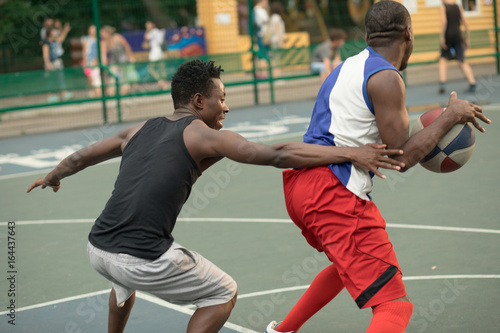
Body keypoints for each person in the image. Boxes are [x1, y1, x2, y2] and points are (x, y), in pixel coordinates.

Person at [27, 59, 407, 333]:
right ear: (197, 102)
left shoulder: (138, 129)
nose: (226, 106)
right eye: (221, 98)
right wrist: (350, 152)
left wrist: (54, 175)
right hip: (142, 257)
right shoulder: (203, 135)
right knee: (223, 292)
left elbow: (82, 155)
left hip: (98, 248)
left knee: (121, 282)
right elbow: (277, 155)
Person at [266, 2, 490, 333]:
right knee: (395, 306)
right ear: (409, 34)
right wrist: (450, 116)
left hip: (301, 186)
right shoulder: (385, 77)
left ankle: (283, 330)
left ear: (369, 36)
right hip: (334, 192)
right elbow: (401, 159)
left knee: (344, 266)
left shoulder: (344, 68)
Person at [438, 0, 476, 94]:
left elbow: (444, 22)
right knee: (461, 60)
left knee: (443, 59)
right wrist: (467, 38)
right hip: (458, 35)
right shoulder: (458, 7)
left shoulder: (443, 7)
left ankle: (442, 83)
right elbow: (466, 24)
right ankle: (472, 83)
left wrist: (442, 37)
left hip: (448, 35)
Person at [101, 25, 135, 96]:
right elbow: (103, 53)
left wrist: (130, 56)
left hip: (123, 58)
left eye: (103, 33)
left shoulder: (118, 37)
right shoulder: (104, 42)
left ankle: (124, 90)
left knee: (123, 76)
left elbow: (126, 46)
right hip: (114, 60)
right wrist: (103, 61)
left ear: (108, 33)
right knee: (112, 75)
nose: (102, 35)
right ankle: (112, 91)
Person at [42, 24, 72, 103]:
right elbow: (45, 54)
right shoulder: (46, 42)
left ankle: (64, 93)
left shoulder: (55, 40)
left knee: (60, 77)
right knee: (51, 79)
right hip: (51, 63)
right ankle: (49, 95)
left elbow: (61, 39)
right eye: (54, 31)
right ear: (50, 32)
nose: (55, 32)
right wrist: (48, 64)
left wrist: (65, 30)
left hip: (57, 62)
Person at [144, 20, 168, 90]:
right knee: (161, 67)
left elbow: (146, 37)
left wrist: (147, 30)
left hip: (156, 50)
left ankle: (161, 82)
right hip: (159, 50)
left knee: (151, 68)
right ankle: (163, 83)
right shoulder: (158, 31)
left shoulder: (153, 32)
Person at [82, 25, 104, 98]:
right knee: (90, 78)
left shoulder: (99, 40)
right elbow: (84, 52)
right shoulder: (87, 40)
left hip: (97, 62)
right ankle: (92, 92)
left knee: (96, 78)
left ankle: (97, 93)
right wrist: (85, 63)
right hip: (90, 62)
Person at [269, 1, 286, 78]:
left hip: (273, 40)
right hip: (276, 40)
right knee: (277, 60)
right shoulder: (276, 17)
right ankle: (277, 77)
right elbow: (277, 30)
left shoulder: (272, 17)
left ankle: (276, 76)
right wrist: (280, 41)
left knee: (275, 60)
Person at [253, 0, 270, 78]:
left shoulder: (254, 10)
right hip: (262, 35)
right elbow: (267, 21)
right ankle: (263, 73)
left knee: (259, 54)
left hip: (257, 35)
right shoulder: (261, 11)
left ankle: (258, 72)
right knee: (263, 55)